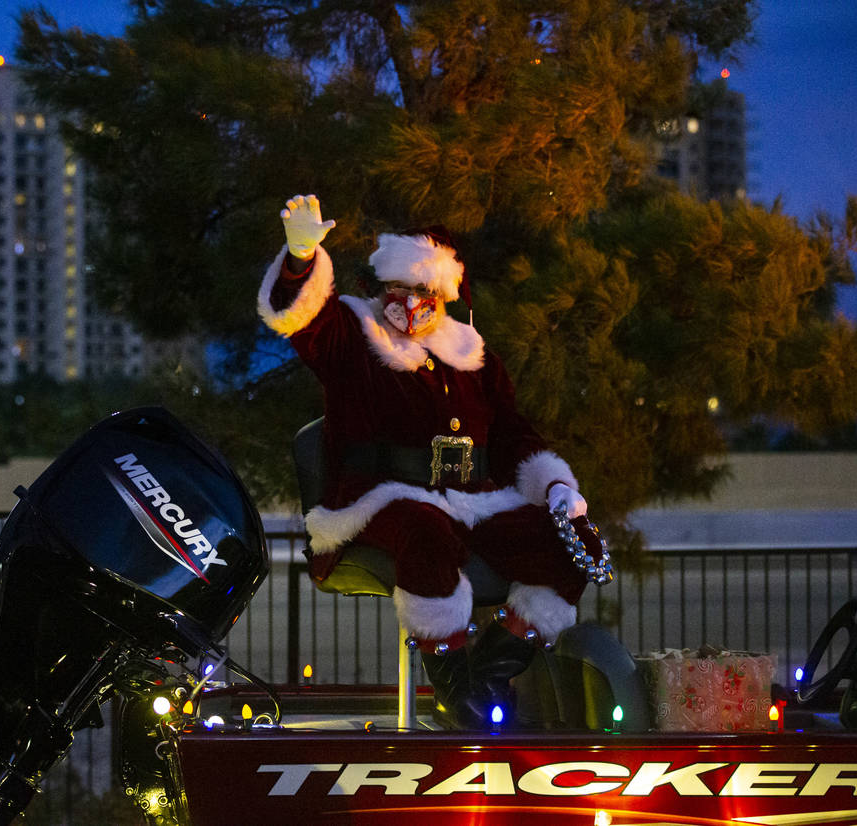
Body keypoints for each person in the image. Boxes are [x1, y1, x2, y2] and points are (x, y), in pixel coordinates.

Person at [259, 194, 604, 728]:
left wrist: (556, 487)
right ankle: (450, 681)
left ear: (443, 295)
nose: (411, 302)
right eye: (401, 289)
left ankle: (493, 670)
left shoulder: (470, 353)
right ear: (383, 287)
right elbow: (302, 321)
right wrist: (301, 259)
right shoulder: (354, 334)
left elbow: (511, 432)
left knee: (572, 540)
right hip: (383, 496)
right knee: (425, 533)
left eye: (425, 292)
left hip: (475, 498)